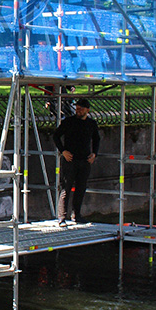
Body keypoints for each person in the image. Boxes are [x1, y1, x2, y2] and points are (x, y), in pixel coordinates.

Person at [54, 96, 100, 225]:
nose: (78, 111)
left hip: (84, 160)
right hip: (70, 159)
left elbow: (97, 139)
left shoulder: (91, 124)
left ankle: (76, 214)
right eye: (77, 109)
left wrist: (94, 153)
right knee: (66, 188)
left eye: (81, 109)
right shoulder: (69, 122)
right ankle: (61, 217)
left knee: (81, 188)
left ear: (87, 110)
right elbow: (56, 136)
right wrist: (62, 151)